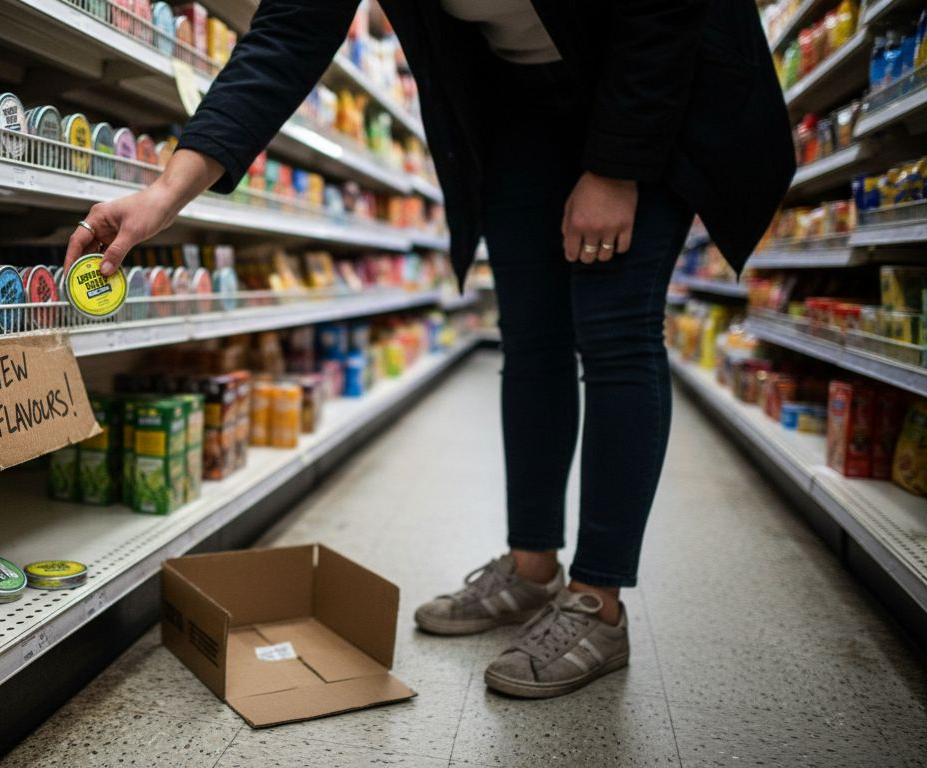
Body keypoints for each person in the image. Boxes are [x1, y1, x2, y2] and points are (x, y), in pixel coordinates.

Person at [65, 0, 793, 699]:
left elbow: (663, 10)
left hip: (649, 78)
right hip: (514, 100)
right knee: (533, 334)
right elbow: (288, 33)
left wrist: (616, 166)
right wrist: (166, 192)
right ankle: (532, 567)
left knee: (614, 326)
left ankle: (598, 603)